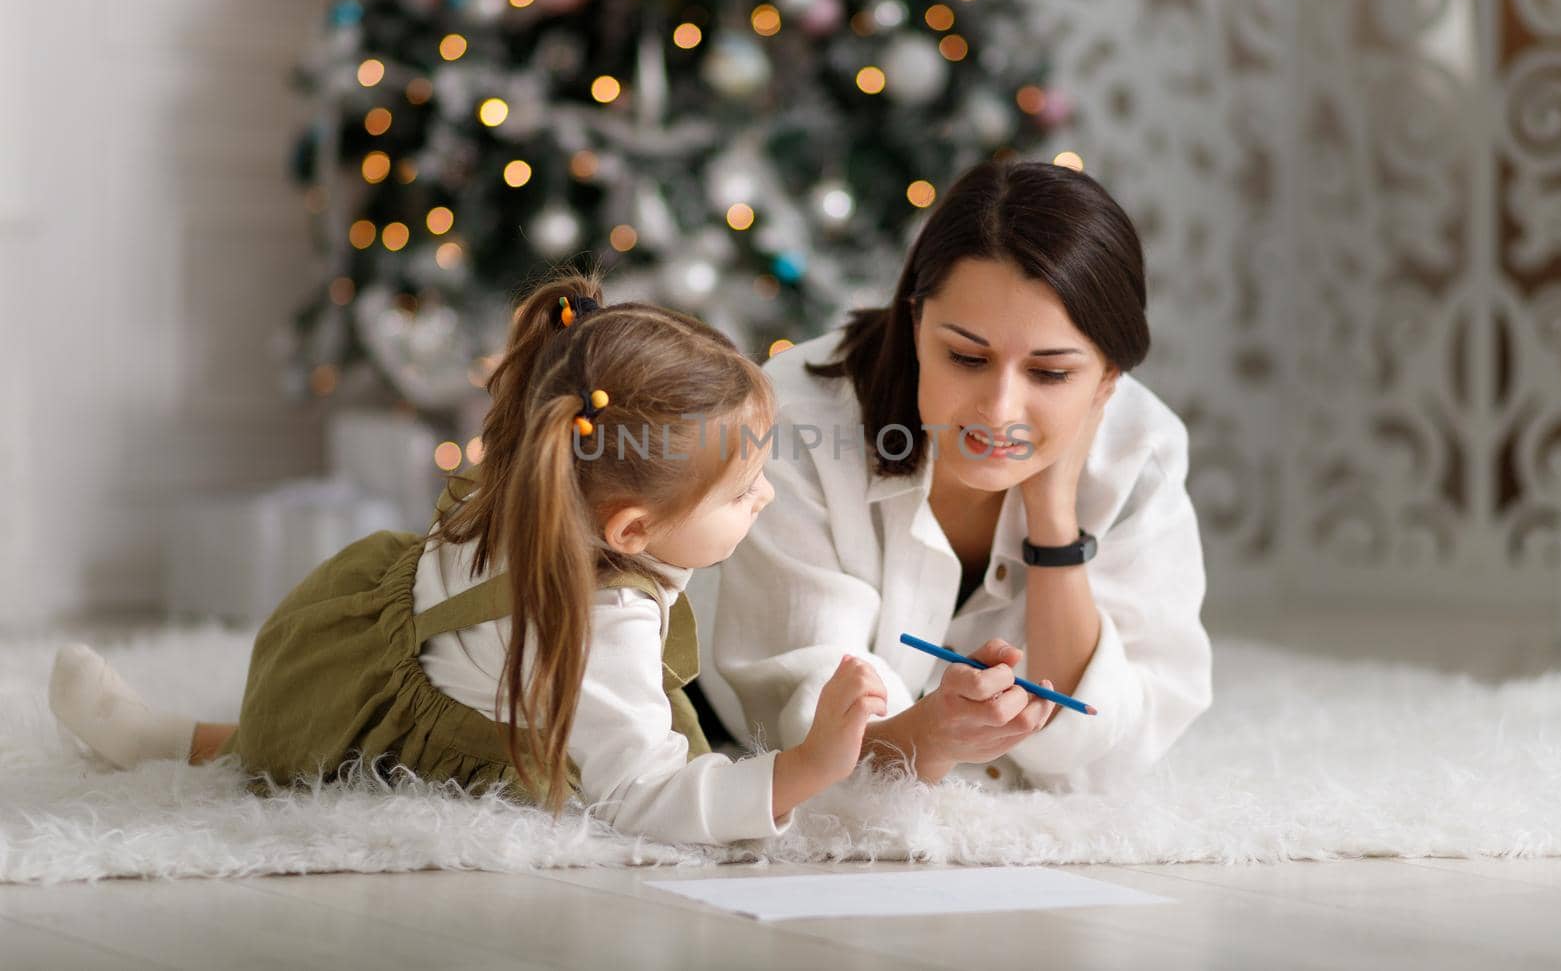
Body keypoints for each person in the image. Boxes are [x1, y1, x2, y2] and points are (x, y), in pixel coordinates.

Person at [49, 273, 887, 845]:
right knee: (273, 757)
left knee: (269, 741)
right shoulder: (604, 623)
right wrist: (806, 767)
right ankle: (176, 741)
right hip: (385, 720)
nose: (766, 498)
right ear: (629, 531)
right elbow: (644, 792)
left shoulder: (536, 480)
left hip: (378, 657)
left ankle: (177, 736)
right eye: (744, 492)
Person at [707, 159, 1212, 793]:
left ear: (1108, 376)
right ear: (916, 324)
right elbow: (807, 734)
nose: (999, 409)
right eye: (967, 357)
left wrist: (1054, 514)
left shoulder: (1142, 448)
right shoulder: (793, 422)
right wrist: (930, 736)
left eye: (1050, 373)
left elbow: (1107, 753)